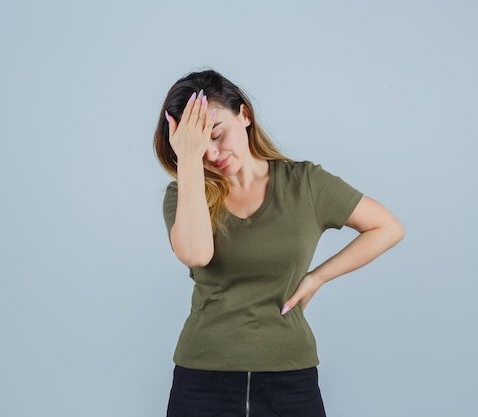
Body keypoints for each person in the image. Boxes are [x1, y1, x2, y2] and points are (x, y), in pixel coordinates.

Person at [153, 69, 405, 417]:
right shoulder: (183, 193)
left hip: (289, 377)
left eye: (216, 134)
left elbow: (387, 227)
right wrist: (189, 163)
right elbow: (197, 253)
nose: (211, 153)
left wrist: (317, 277)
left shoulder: (306, 184)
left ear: (244, 114)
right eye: (198, 145)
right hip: (202, 378)